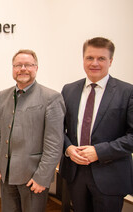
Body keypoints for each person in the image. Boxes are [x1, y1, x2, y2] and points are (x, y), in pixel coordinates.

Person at [59, 37, 133, 212]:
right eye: (90, 58)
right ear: (83, 59)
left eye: (101, 58)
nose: (95, 63)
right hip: (75, 174)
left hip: (111, 175)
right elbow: (58, 129)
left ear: (111, 61)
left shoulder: (127, 92)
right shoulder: (68, 90)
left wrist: (99, 152)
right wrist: (68, 148)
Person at [0, 49, 65, 212]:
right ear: (12, 69)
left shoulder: (51, 97)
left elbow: (54, 144)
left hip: (33, 177)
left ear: (36, 68)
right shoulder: (3, 95)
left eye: (28, 65)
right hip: (6, 175)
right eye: (18, 65)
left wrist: (42, 178)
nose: (22, 68)